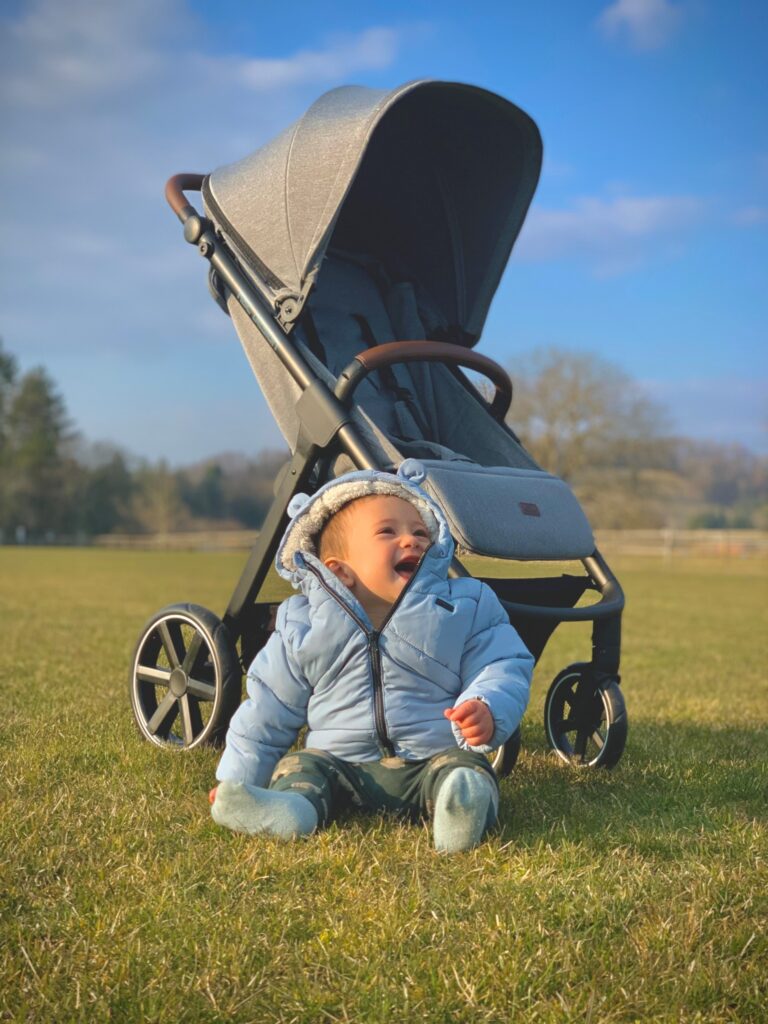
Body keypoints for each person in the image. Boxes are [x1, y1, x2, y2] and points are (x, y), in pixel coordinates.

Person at [209, 460, 534, 853]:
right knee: (301, 769)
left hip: (429, 760)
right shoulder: (302, 626)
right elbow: (266, 711)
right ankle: (292, 810)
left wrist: (484, 705)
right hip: (337, 765)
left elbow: (502, 663)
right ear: (340, 571)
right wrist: (236, 778)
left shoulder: (463, 606)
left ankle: (459, 808)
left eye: (420, 532)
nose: (412, 541)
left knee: (466, 771)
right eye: (388, 532)